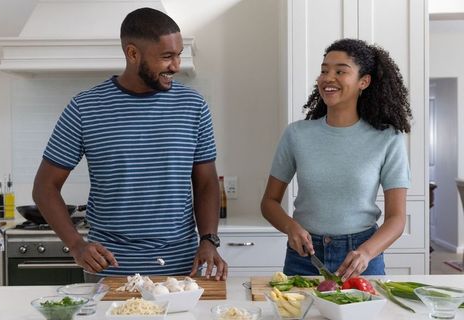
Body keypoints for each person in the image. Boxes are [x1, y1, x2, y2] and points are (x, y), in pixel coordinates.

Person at [32, 7, 227, 281]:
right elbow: (44, 187)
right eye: (167, 56)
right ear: (133, 54)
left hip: (181, 267)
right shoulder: (85, 107)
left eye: (179, 54)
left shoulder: (193, 106)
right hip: (110, 270)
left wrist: (209, 239)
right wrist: (76, 244)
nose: (176, 66)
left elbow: (206, 182)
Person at [261, 38, 412, 282]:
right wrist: (291, 227)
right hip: (304, 256)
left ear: (364, 81)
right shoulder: (297, 134)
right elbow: (269, 202)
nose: (328, 78)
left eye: (340, 71)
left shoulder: (387, 139)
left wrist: (366, 253)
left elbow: (396, 219)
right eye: (324, 71)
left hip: (361, 257)